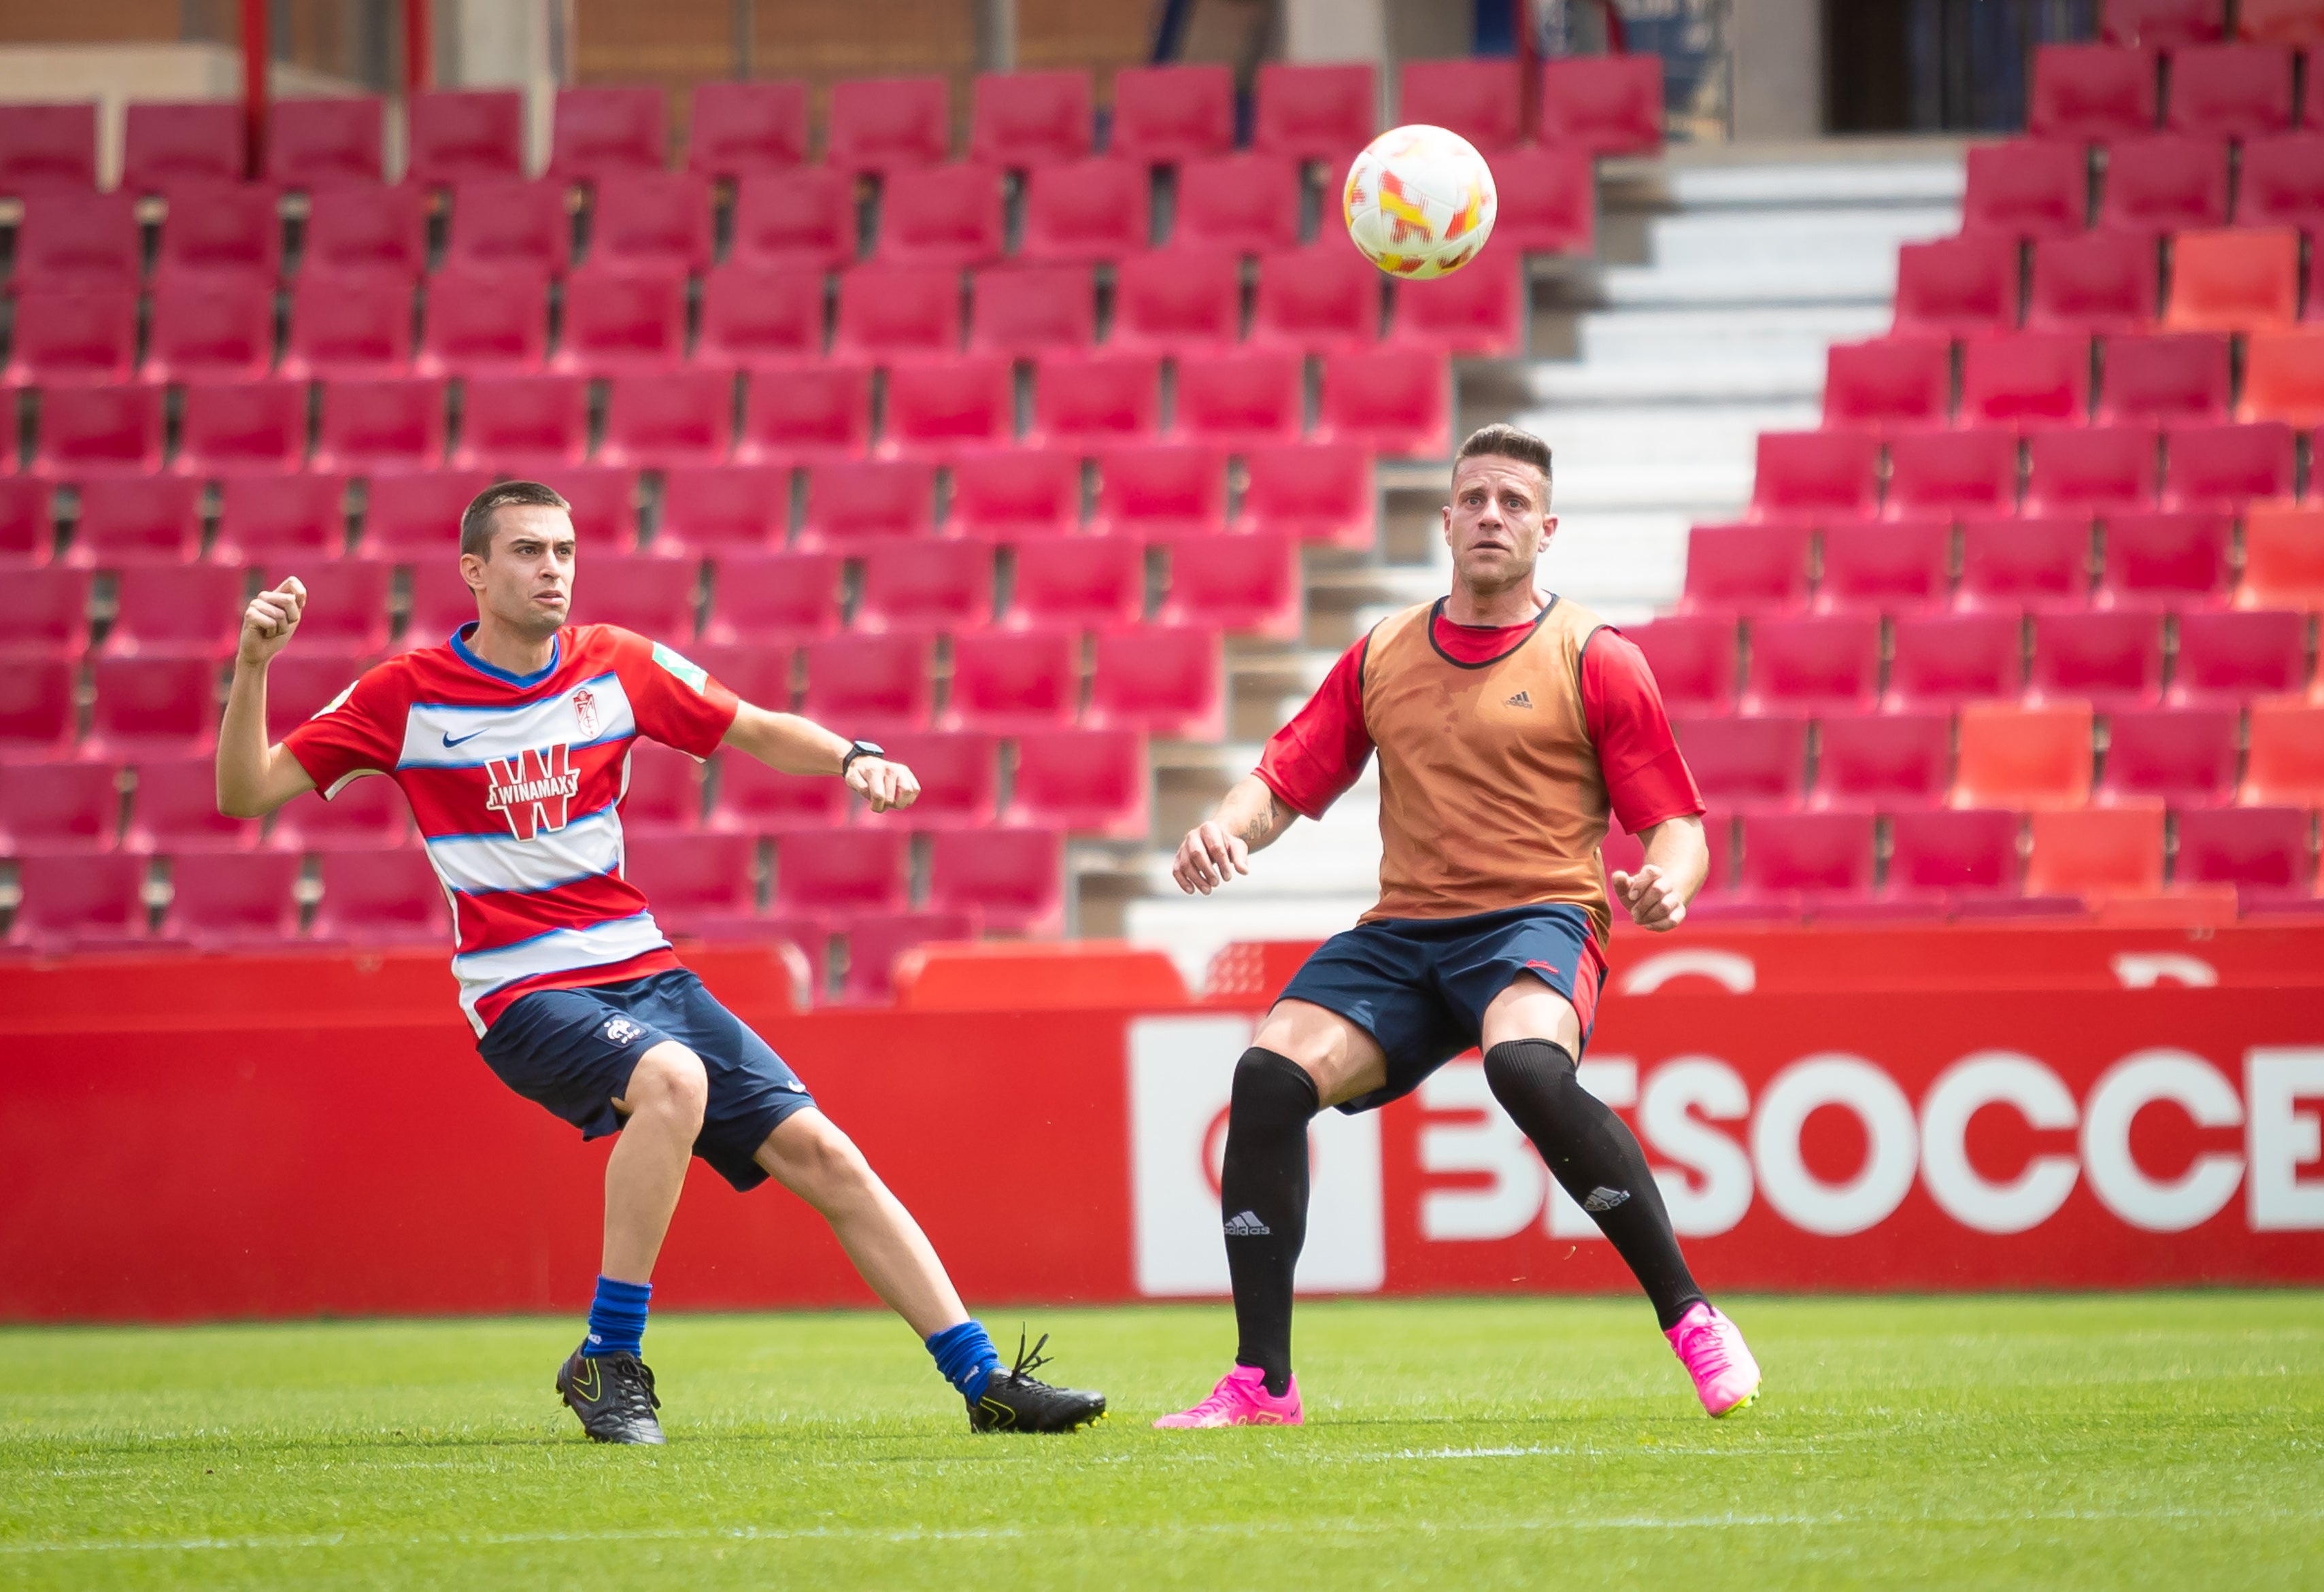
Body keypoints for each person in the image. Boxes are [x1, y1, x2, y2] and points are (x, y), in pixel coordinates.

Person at [215, 479, 1104, 1444]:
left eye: (561, 550)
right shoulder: (407, 695)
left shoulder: (616, 666)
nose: (551, 568)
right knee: (671, 1079)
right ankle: (610, 1352)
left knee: (826, 1155)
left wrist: (854, 757)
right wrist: (253, 666)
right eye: (526, 551)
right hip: (521, 988)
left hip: (647, 971)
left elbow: (756, 725)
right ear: (473, 571)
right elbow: (245, 792)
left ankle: (985, 1384)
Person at [1152, 424, 1760, 1429]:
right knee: (1266, 1077)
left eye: (1513, 503)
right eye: (1474, 498)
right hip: (1405, 935)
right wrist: (1223, 829)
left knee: (1524, 1070)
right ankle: (1264, 1382)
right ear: (1444, 522)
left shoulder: (1596, 655)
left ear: (1547, 529)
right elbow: (1281, 781)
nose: (1491, 516)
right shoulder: (1385, 651)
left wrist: (1667, 880)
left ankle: (1692, 1317)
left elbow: (1677, 826)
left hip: (1537, 918)